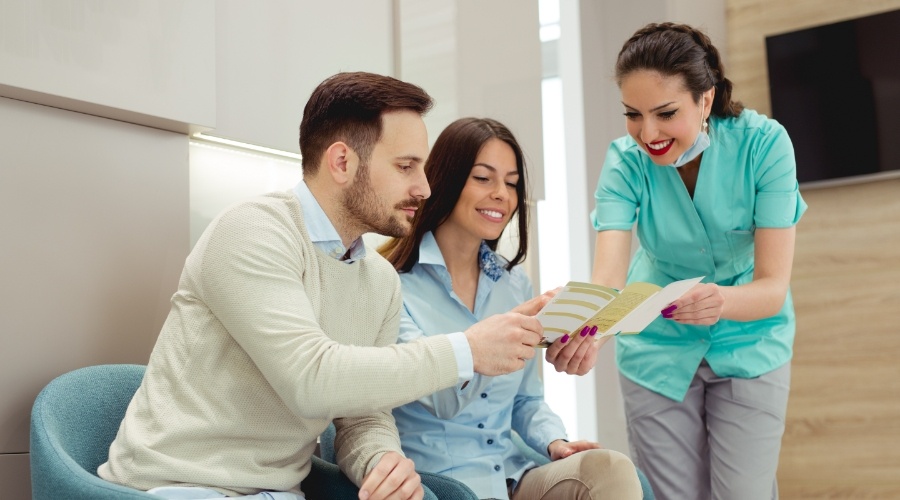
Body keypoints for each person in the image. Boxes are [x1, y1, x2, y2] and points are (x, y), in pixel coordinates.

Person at [98, 72, 546, 500]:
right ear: (342, 162)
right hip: (178, 489)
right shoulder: (253, 232)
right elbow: (312, 379)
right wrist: (466, 350)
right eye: (406, 166)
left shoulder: (378, 279)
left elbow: (363, 414)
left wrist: (382, 462)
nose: (425, 188)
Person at [588, 22, 808, 499]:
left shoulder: (764, 145)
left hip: (751, 338)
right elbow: (607, 277)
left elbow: (772, 287)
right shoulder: (625, 163)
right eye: (632, 114)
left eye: (665, 113)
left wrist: (720, 301)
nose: (648, 133)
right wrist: (585, 330)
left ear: (705, 100)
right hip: (655, 349)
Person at [379, 117, 644, 500]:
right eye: (483, 178)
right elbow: (442, 398)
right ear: (446, 179)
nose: (502, 194)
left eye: (512, 182)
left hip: (511, 477)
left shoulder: (515, 283)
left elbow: (526, 399)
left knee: (609, 469)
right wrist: (498, 339)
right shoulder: (392, 285)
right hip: (442, 484)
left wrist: (555, 442)